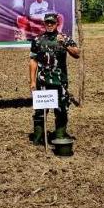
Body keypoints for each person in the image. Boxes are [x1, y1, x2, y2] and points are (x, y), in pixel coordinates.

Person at [29, 13, 79, 144]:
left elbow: (77, 54)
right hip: (43, 82)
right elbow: (33, 61)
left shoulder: (64, 38)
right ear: (44, 24)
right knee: (40, 111)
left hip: (60, 82)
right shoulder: (38, 40)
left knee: (61, 110)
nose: (50, 25)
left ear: (57, 24)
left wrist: (65, 45)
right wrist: (32, 81)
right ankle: (38, 138)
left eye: (52, 23)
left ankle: (60, 135)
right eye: (47, 23)